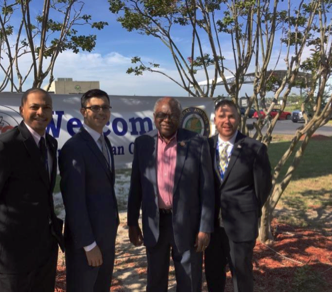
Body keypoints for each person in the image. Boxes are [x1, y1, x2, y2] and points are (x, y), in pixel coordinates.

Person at [0, 88, 64, 292]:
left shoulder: (51, 144)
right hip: (12, 254)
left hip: (44, 250)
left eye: (46, 107)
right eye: (34, 107)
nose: (41, 112)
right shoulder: (5, 145)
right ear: (21, 110)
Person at [128, 97, 215, 292]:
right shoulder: (143, 144)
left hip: (188, 225)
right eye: (162, 115)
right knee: (156, 281)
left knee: (189, 282)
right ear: (154, 118)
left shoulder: (197, 143)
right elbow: (136, 187)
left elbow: (207, 189)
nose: (167, 119)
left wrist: (205, 228)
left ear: (180, 117)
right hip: (155, 224)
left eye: (172, 115)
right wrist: (132, 223)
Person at [204, 99, 272, 292]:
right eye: (222, 116)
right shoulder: (205, 147)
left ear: (238, 119)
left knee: (241, 278)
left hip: (241, 226)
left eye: (232, 116)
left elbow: (263, 187)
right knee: (213, 275)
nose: (227, 120)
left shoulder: (254, 148)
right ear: (215, 120)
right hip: (212, 228)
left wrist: (249, 210)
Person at [59, 89, 119, 292]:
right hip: (87, 244)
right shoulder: (74, 147)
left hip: (106, 238)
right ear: (83, 111)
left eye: (105, 107)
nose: (101, 112)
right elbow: (73, 201)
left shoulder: (105, 142)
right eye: (95, 107)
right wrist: (89, 245)